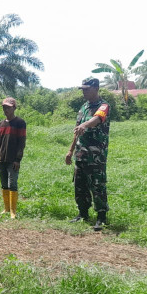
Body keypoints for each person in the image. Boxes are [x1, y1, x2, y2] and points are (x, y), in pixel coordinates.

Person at [65, 77, 110, 231]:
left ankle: (101, 218)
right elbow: (77, 130)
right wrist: (70, 150)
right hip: (80, 154)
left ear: (96, 88)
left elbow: (97, 119)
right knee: (80, 185)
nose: (83, 92)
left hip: (96, 156)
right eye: (82, 89)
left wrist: (85, 124)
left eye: (86, 89)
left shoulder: (103, 106)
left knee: (97, 185)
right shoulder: (83, 107)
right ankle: (83, 213)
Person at [0, 97, 26, 219]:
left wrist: (18, 160)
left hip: (13, 160)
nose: (6, 110)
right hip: (2, 159)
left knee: (12, 184)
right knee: (4, 184)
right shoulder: (1, 124)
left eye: (8, 107)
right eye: (4, 107)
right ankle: (6, 209)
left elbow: (21, 143)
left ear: (14, 108)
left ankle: (13, 211)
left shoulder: (20, 123)